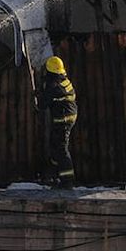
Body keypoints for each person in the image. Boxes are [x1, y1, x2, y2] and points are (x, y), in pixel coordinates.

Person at [38, 55, 77, 188]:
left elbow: (42, 105)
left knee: (61, 149)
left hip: (63, 119)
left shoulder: (53, 85)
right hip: (67, 117)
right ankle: (54, 176)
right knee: (55, 146)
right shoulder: (64, 81)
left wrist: (39, 96)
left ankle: (68, 180)